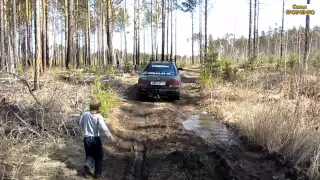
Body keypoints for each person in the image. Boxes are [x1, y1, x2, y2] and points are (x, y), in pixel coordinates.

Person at [79, 99, 116, 179]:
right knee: (99, 155)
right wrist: (110, 137)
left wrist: (83, 132)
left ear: (90, 106)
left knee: (89, 154)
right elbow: (104, 128)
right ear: (98, 108)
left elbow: (80, 123)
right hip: (95, 139)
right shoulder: (99, 117)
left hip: (86, 138)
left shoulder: (85, 114)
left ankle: (88, 171)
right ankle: (98, 173)